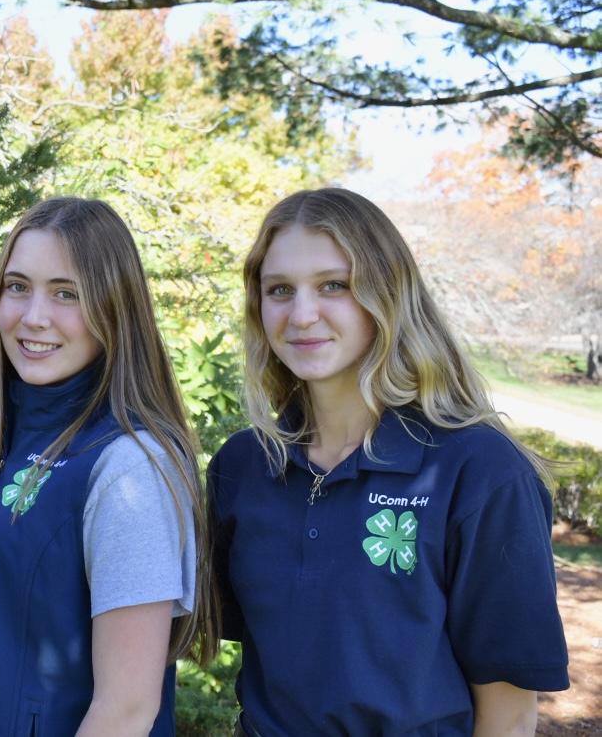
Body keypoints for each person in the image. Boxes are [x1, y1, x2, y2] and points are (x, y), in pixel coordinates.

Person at [209, 187, 570, 736]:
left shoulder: (480, 470)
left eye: (334, 285)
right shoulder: (242, 466)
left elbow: (510, 713)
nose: (301, 315)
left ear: (387, 293)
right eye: (279, 289)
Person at [0, 197, 218, 736]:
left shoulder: (131, 468)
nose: (34, 317)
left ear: (114, 308)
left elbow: (126, 710)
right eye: (17, 287)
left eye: (66, 294)